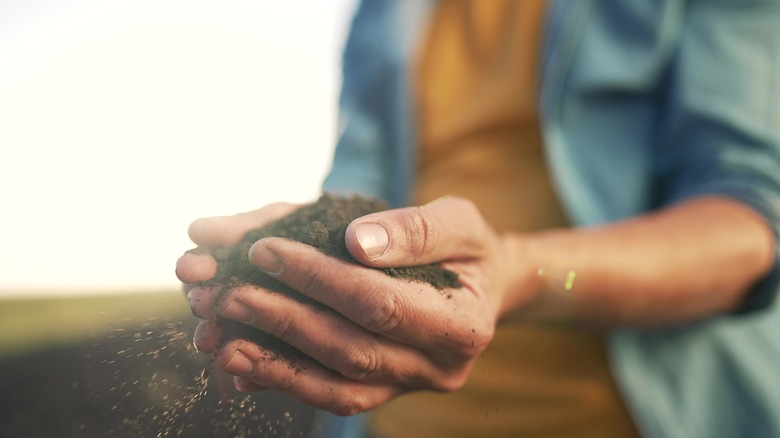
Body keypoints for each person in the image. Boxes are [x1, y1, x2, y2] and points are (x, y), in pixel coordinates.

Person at [176, 1, 780, 437]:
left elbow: (749, 220)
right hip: (395, 419)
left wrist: (513, 273)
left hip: (629, 415)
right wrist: (310, 262)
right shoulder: (383, 13)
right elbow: (360, 185)